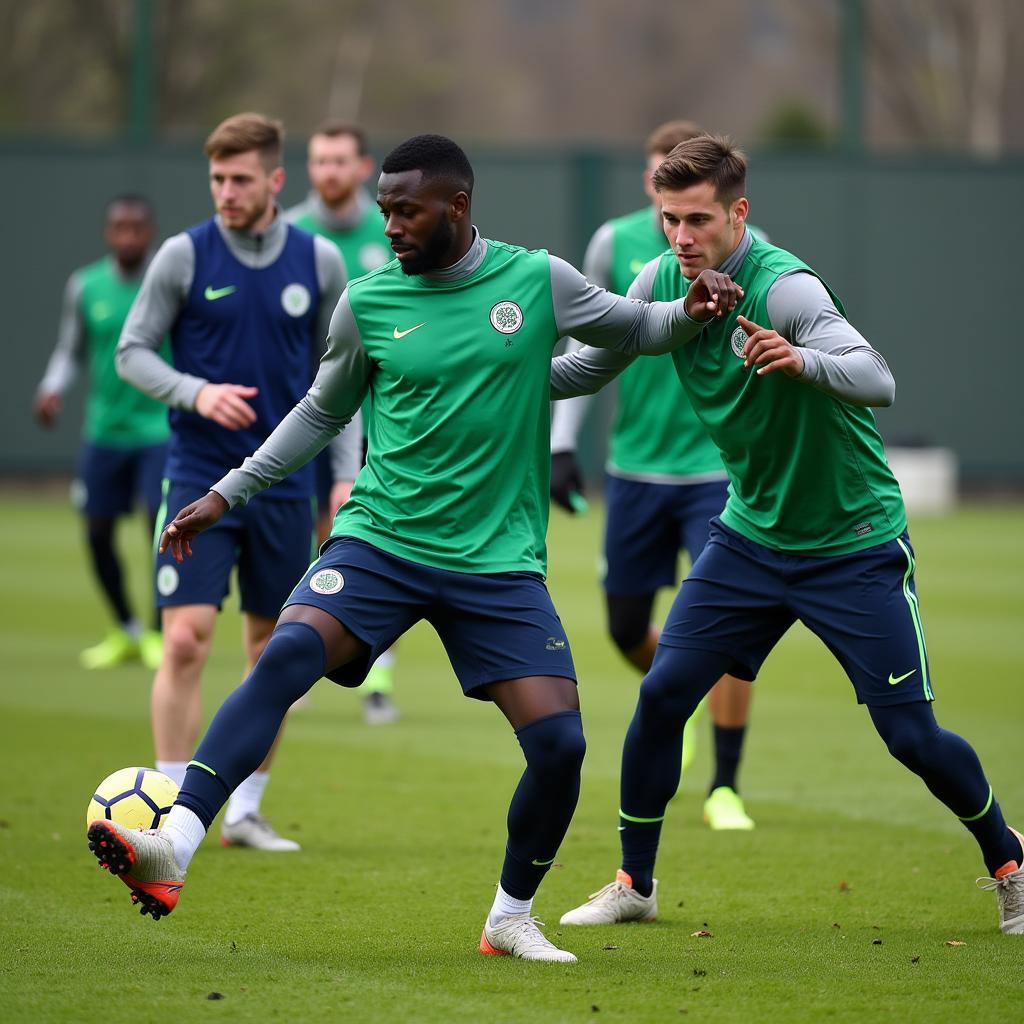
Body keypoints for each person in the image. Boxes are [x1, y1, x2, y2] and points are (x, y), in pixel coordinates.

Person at [86, 133, 744, 962]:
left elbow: (634, 327)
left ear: (456, 207)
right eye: (385, 208)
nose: (389, 223)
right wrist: (227, 491)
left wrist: (692, 307)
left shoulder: (536, 280)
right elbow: (321, 414)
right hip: (382, 540)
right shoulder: (366, 302)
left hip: (497, 561)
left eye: (406, 209)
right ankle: (176, 841)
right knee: (286, 655)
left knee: (560, 746)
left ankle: (510, 916)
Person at [550, 135, 1023, 935]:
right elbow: (589, 365)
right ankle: (635, 882)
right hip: (750, 538)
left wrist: (806, 363)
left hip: (852, 542)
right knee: (661, 697)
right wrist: (493, 375)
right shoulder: (661, 279)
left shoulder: (787, 287)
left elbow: (879, 378)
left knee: (909, 735)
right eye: (670, 219)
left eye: (698, 219)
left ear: (739, 213)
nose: (681, 237)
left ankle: (1010, 862)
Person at [113, 112, 352, 852]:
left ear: (276, 181)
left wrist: (344, 476)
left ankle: (244, 810)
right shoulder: (183, 256)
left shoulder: (319, 264)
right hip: (196, 477)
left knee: (270, 653)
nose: (226, 192)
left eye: (240, 179)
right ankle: (164, 804)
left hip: (287, 487)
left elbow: (344, 382)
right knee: (184, 640)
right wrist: (194, 392)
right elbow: (132, 351)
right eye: (216, 178)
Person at [550, 120, 764, 830]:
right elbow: (588, 344)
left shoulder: (739, 251)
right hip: (635, 468)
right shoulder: (618, 247)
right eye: (661, 198)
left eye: (689, 210)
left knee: (728, 625)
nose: (677, 224)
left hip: (713, 469)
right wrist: (560, 444)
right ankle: (683, 691)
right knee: (624, 626)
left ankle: (723, 785)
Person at [286, 119, 398, 725]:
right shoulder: (293, 235)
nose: (328, 171)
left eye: (339, 160)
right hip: (314, 411)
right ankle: (304, 654)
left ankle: (378, 675)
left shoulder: (393, 231)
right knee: (314, 534)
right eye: (318, 160)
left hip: (385, 418)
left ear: (362, 167)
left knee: (383, 536)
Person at [34, 195, 168, 671]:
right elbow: (70, 350)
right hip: (105, 431)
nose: (127, 236)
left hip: (159, 429)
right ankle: (126, 628)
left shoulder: (166, 280)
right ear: (108, 233)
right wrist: (53, 388)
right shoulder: (86, 285)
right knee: (96, 533)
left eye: (136, 228)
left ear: (149, 232)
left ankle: (158, 632)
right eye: (119, 228)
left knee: (162, 528)